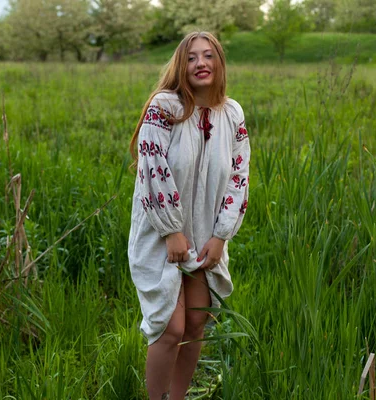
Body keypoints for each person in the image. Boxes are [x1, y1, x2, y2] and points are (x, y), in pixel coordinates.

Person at [127, 31, 250, 400]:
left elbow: (239, 176)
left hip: (207, 234)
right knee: (170, 327)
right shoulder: (164, 108)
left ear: (219, 63)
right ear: (182, 65)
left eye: (208, 55)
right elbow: (152, 169)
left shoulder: (232, 113)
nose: (201, 63)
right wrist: (171, 231)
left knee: (197, 320)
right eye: (192, 57)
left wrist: (222, 235)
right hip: (162, 235)